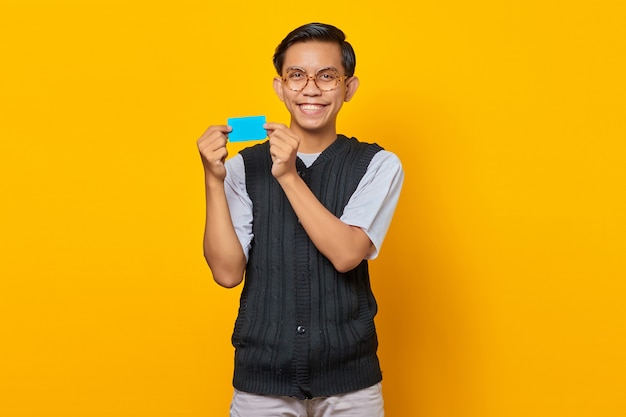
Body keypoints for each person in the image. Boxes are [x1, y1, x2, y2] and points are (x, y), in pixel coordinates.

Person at [197, 22, 404, 417]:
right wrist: (212, 179)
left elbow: (346, 254)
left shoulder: (378, 165)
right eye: (297, 76)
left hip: (351, 383)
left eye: (327, 76)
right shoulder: (243, 167)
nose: (311, 89)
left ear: (349, 87)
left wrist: (288, 175)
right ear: (280, 87)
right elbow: (226, 273)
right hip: (262, 380)